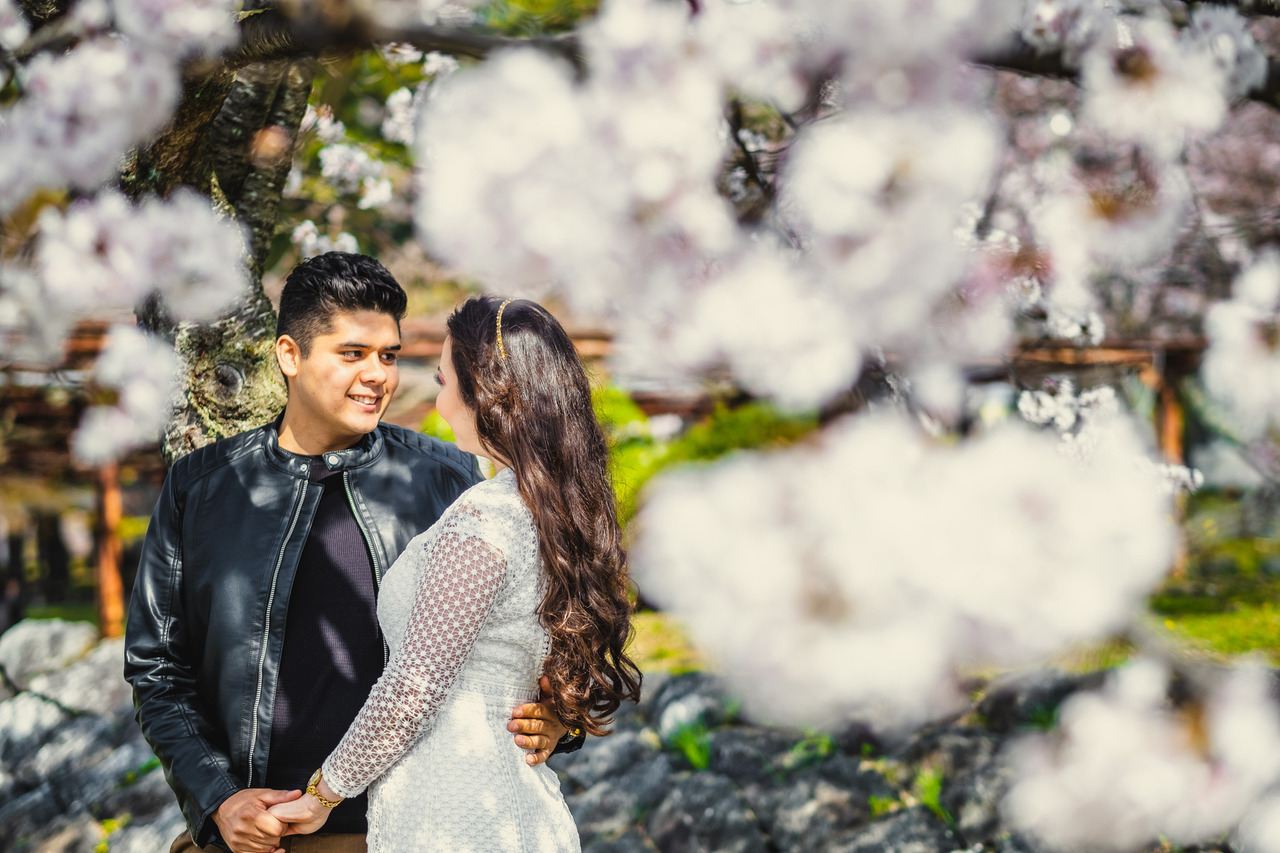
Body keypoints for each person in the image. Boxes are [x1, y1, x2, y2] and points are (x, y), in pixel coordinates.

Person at [124, 254, 579, 853]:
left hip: (404, 828)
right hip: (255, 832)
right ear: (290, 356)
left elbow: (543, 618)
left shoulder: (448, 480)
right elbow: (158, 668)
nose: (378, 376)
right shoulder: (201, 488)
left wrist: (557, 715)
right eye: (352, 354)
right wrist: (218, 798)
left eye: (388, 355)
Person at [267, 296, 643, 852]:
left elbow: (415, 685)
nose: (438, 399)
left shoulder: (485, 517)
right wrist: (559, 718)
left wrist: (323, 794)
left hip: (457, 809)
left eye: (444, 380)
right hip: (511, 801)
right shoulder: (551, 511)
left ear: (484, 391)